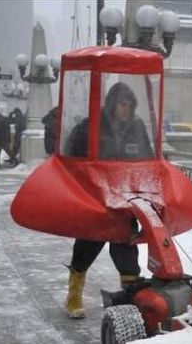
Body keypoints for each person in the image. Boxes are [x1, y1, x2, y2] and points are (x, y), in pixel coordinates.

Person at [63, 82, 151, 319]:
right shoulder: (91, 125)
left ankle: (131, 299)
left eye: (130, 104)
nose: (127, 108)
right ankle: (73, 296)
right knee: (86, 248)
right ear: (112, 104)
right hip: (96, 199)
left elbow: (147, 157)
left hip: (124, 202)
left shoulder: (137, 126)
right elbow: (70, 152)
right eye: (123, 104)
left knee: (127, 254)